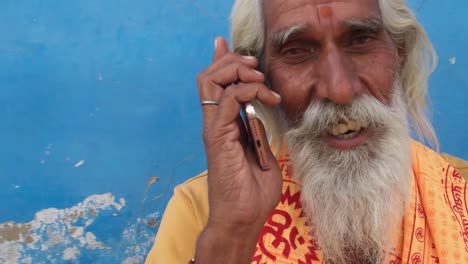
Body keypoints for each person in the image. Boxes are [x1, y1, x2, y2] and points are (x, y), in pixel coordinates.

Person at [146, 0, 468, 263]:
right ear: (256, 77)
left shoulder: (461, 195)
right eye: (297, 51)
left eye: (360, 40)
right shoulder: (205, 213)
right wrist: (233, 235)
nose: (339, 89)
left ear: (399, 52)